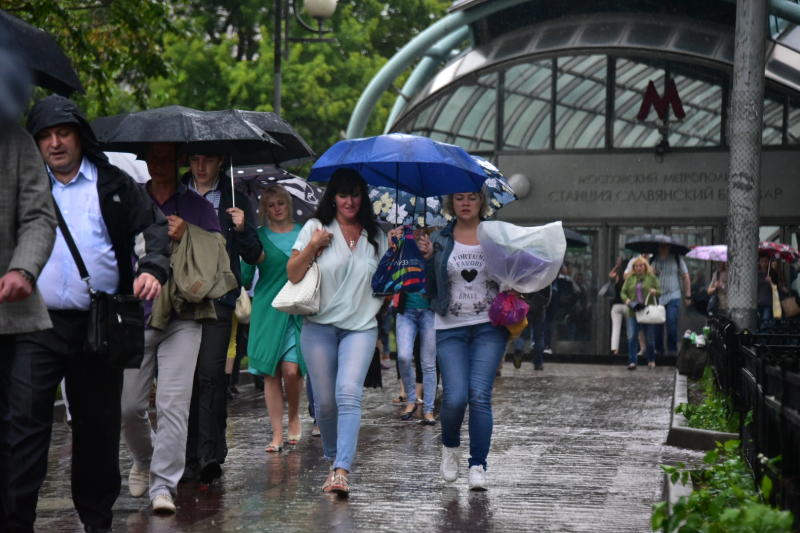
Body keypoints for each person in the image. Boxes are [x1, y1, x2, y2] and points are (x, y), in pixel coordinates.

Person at [9, 95, 169, 533]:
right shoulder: (22, 186)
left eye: (63, 133)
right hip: (35, 325)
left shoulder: (114, 184)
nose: (55, 143)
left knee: (98, 430)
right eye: (45, 136)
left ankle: (97, 522)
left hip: (100, 324)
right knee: (23, 423)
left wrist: (153, 267)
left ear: (80, 136)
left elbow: (153, 229)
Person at [120, 142, 235, 515]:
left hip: (184, 318)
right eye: (153, 157)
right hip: (137, 314)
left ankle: (162, 485)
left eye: (166, 157)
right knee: (129, 406)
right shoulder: (130, 199)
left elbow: (219, 256)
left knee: (173, 405)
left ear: (178, 161)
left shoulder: (198, 206)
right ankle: (144, 457)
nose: (159, 164)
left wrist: (189, 233)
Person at [286, 168, 387, 496]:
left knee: (348, 393)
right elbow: (293, 273)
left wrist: (411, 252)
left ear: (363, 197)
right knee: (325, 404)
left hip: (360, 328)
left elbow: (388, 285)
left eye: (355, 194)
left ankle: (341, 469)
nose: (349, 201)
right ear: (333, 197)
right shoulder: (316, 228)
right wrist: (313, 246)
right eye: (343, 194)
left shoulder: (377, 237)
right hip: (318, 327)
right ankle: (332, 458)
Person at [181, 152, 263, 484]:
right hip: (181, 300)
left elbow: (254, 253)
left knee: (211, 376)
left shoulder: (234, 199)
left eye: (208, 160)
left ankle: (207, 454)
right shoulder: (177, 193)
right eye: (196, 159)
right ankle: (188, 454)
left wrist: (242, 228)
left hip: (219, 299)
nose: (201, 166)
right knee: (185, 380)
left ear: (221, 163)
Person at [418, 189, 508, 491]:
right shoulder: (440, 239)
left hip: (489, 326)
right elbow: (428, 289)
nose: (466, 203)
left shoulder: (496, 236)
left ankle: (478, 465)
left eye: (472, 197)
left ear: (482, 201)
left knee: (480, 395)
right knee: (455, 397)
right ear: (451, 203)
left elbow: (514, 275)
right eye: (459, 198)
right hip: (450, 327)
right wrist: (429, 259)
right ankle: (450, 446)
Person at [0, 122, 57, 532]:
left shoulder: (15, 142)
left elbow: (39, 216)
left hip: (13, 315)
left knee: (18, 427)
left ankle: (16, 520)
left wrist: (23, 268)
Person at [241, 185, 306, 453]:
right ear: (264, 209)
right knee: (270, 372)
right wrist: (242, 243)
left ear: (288, 205)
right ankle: (277, 433)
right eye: (271, 204)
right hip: (267, 310)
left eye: (281, 203)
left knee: (291, 371)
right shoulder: (257, 236)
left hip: (296, 310)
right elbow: (245, 278)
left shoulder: (304, 233)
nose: (277, 208)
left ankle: (293, 416)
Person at [385, 226, 437, 425]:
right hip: (405, 311)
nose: (417, 228)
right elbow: (388, 274)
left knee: (428, 363)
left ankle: (429, 410)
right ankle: (411, 400)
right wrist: (392, 249)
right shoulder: (401, 245)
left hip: (429, 311)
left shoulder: (436, 244)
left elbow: (443, 273)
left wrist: (430, 256)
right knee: (404, 356)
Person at [620, 256, 661, 370]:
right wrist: (627, 300)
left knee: (649, 338)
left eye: (641, 266)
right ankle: (633, 361)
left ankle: (651, 360)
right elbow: (623, 292)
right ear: (633, 268)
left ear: (645, 267)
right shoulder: (630, 278)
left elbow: (659, 292)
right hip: (633, 311)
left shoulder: (651, 278)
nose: (638, 268)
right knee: (632, 336)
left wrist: (654, 292)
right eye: (636, 266)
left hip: (647, 311)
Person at [650, 243, 691, 357]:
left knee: (671, 322)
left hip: (673, 295)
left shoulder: (677, 258)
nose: (663, 248)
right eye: (661, 246)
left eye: (665, 246)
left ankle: (672, 350)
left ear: (669, 247)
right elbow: (647, 276)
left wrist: (687, 295)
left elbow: (685, 276)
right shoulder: (654, 259)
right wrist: (651, 273)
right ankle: (659, 350)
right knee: (657, 325)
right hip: (658, 296)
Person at [511, 286, 551, 370]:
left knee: (522, 333)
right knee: (539, 337)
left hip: (524, 306)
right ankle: (538, 363)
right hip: (539, 309)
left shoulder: (526, 274)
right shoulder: (545, 276)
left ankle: (518, 349)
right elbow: (548, 296)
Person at [607, 257, 628, 356]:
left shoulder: (617, 276)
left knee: (616, 328)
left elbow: (610, 274)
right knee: (631, 328)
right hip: (627, 305)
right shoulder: (629, 277)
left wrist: (617, 266)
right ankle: (632, 348)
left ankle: (615, 350)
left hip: (616, 306)